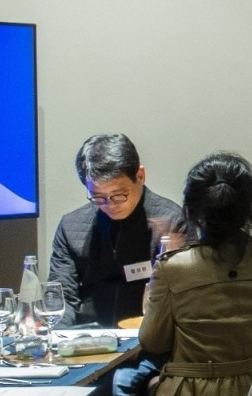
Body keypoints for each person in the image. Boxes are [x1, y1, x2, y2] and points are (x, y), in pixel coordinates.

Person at [49, 133, 192, 396]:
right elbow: (62, 298)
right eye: (98, 197)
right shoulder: (71, 227)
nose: (110, 206)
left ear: (140, 175)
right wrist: (52, 335)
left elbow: (182, 306)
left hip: (148, 345)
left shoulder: (171, 223)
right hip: (88, 344)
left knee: (119, 383)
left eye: (119, 195)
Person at [139, 152, 252, 396]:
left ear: (190, 209)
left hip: (196, 389)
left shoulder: (173, 268)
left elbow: (153, 342)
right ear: (248, 205)